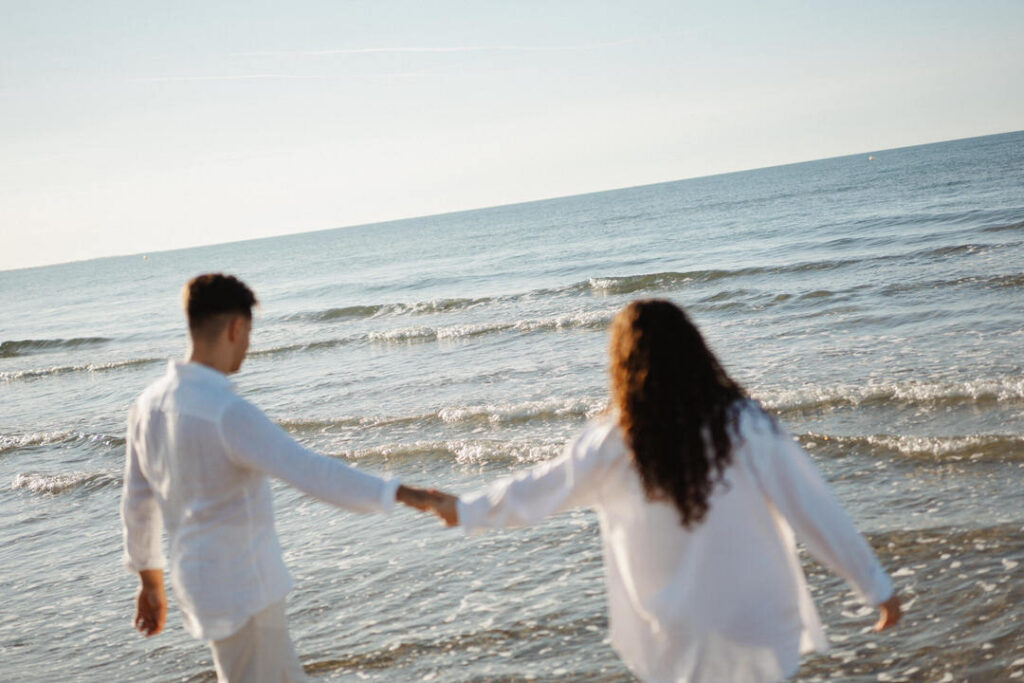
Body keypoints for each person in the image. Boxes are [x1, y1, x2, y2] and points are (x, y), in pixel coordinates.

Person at [428, 299, 901, 682]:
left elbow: (536, 490)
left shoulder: (612, 444)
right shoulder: (743, 425)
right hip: (755, 616)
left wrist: (465, 510)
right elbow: (812, 507)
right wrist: (874, 585)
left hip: (677, 632)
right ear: (697, 352)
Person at [120, 273, 449, 682]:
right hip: (245, 592)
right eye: (249, 333)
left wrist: (149, 581)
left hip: (199, 587)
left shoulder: (147, 406)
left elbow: (137, 502)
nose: (248, 345)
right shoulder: (225, 411)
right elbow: (310, 470)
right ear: (235, 328)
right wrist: (405, 493)